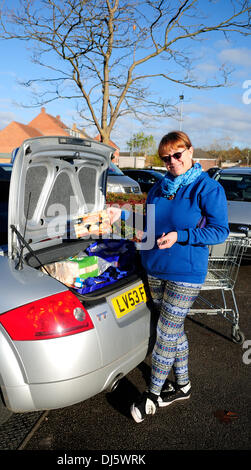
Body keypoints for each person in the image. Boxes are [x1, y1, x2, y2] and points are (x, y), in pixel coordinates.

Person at [129, 131, 229, 423]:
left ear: (190, 151)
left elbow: (219, 231)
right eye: (166, 157)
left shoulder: (206, 188)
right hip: (155, 269)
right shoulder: (158, 188)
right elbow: (147, 224)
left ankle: (153, 393)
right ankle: (182, 385)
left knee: (166, 333)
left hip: (186, 273)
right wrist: (138, 235)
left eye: (177, 154)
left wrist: (180, 236)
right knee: (172, 329)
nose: (172, 161)